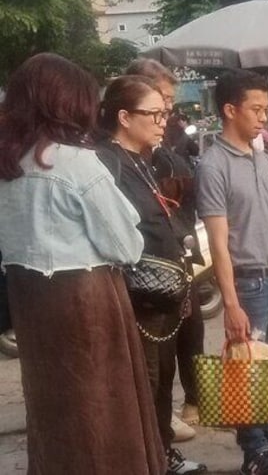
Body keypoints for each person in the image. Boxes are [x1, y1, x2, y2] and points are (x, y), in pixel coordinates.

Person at [0, 53, 165, 474]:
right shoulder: (74, 161)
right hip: (85, 306)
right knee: (103, 414)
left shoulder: (8, 167)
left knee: (53, 414)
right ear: (69, 103)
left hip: (30, 304)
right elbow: (126, 245)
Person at [97, 75, 207, 475]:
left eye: (166, 113)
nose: (163, 121)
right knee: (143, 384)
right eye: (154, 114)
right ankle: (145, 458)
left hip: (167, 289)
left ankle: (162, 453)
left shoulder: (146, 159)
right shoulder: (105, 161)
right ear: (124, 117)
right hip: (136, 293)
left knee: (163, 380)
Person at [195, 70, 268, 475]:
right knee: (244, 369)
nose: (263, 119)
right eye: (256, 110)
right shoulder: (213, 165)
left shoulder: (261, 158)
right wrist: (231, 302)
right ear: (229, 109)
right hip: (247, 281)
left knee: (265, 362)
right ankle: (253, 451)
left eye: (266, 111)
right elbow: (218, 242)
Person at [127, 58, 205, 436]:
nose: (167, 113)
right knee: (151, 367)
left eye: (169, 104)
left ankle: (177, 414)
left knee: (181, 342)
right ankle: (155, 437)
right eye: (162, 102)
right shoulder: (118, 160)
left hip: (176, 266)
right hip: (144, 279)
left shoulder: (167, 146)